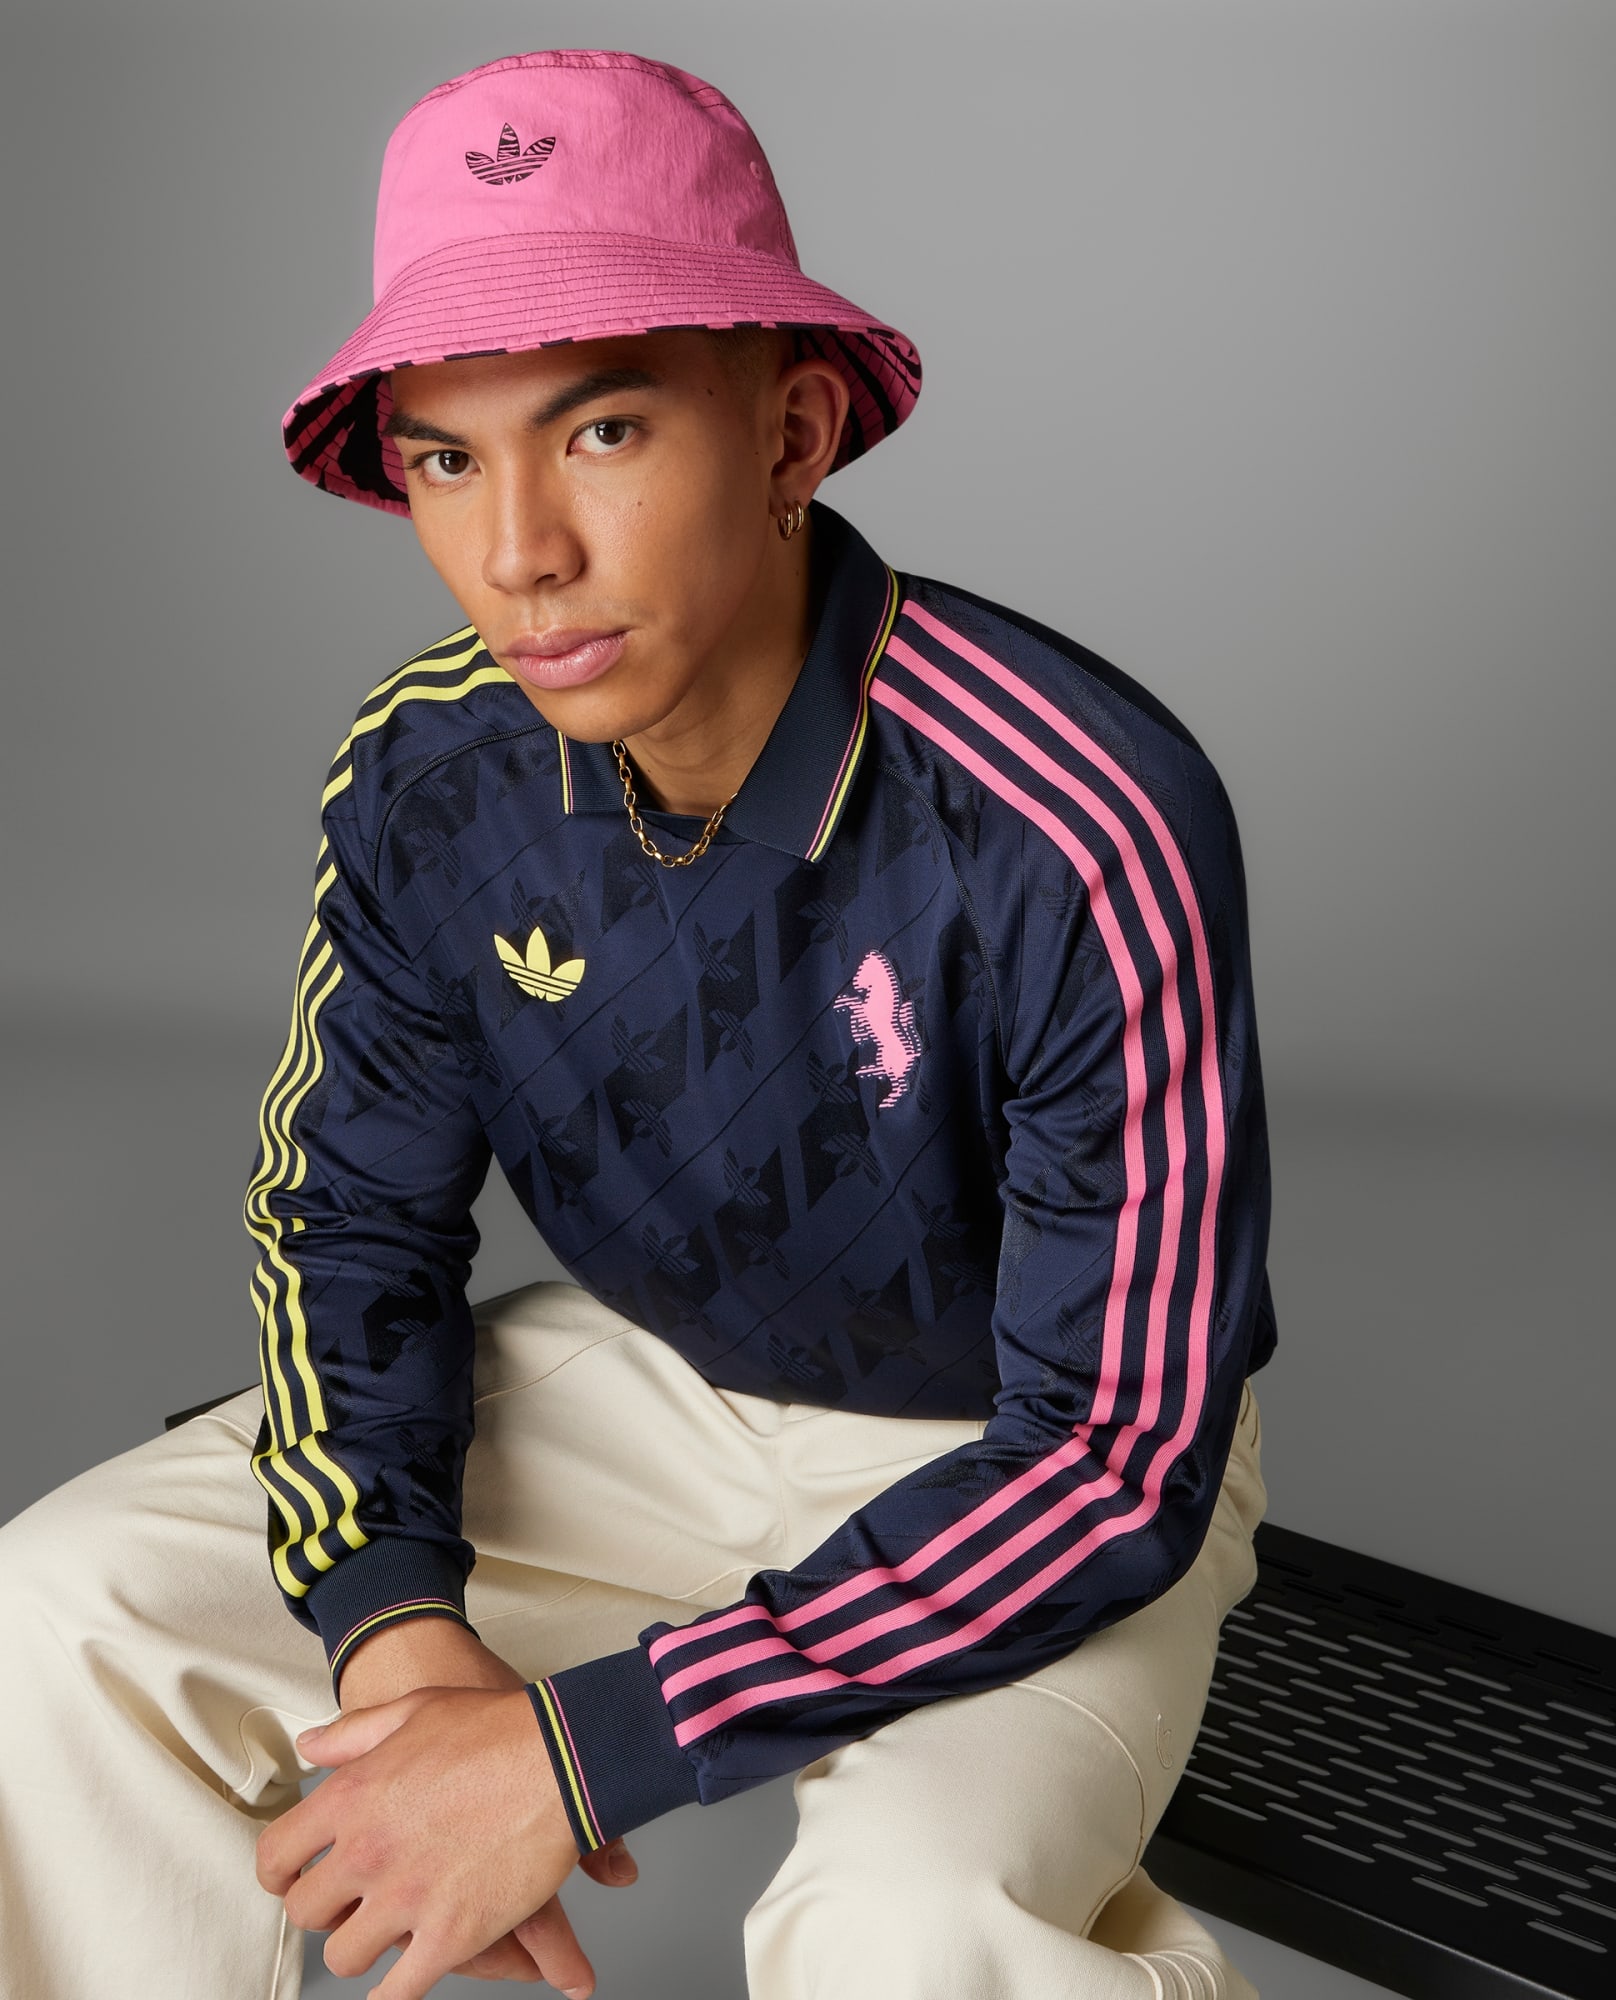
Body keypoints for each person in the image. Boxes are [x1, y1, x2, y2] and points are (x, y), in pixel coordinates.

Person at [0, 46, 1278, 2000]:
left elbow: (1113, 1450)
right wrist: (398, 1634)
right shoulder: (434, 770)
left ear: (791, 433)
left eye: (600, 429)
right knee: (59, 1616)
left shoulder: (1075, 809)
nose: (517, 549)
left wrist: (568, 1752)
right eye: (445, 458)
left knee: (907, 1933)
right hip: (651, 1390)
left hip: (1020, 1455)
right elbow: (350, 1224)